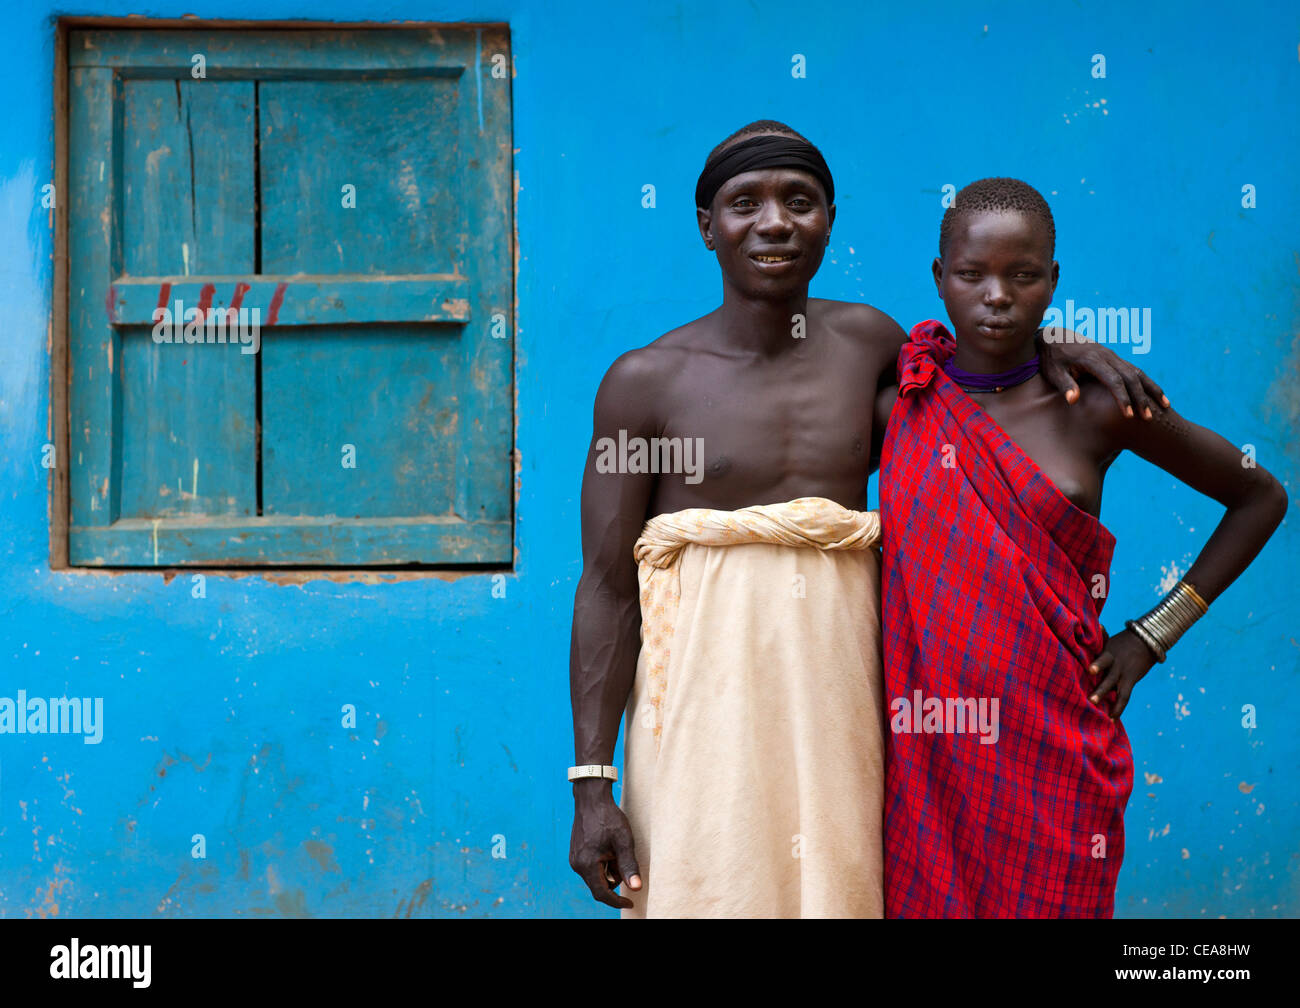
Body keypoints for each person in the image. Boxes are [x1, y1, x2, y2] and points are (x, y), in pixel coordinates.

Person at [568, 125, 1166, 919]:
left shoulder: (872, 345)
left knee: (841, 893)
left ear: (829, 220)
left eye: (800, 202)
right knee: (703, 891)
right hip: (695, 707)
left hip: (848, 701)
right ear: (707, 225)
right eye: (745, 204)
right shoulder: (640, 386)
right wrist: (590, 785)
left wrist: (1059, 345)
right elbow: (608, 588)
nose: (775, 222)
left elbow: (989, 375)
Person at [878, 177, 1288, 918]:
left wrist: (1150, 635)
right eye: (972, 274)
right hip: (925, 752)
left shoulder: (1099, 405)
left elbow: (1260, 496)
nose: (996, 295)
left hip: (1054, 741)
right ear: (939, 279)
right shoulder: (899, 400)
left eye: (1023, 274)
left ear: (1055, 280)